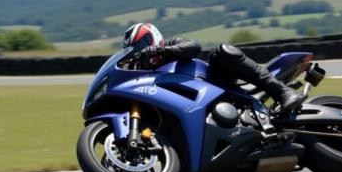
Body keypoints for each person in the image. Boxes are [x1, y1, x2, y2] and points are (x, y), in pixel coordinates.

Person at [122, 22, 302, 113]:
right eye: (136, 50)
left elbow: (194, 47)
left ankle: (283, 92)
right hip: (194, 104)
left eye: (143, 44)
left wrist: (162, 50)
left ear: (153, 36)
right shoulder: (148, 73)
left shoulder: (171, 44)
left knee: (220, 52)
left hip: (217, 82)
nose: (142, 50)